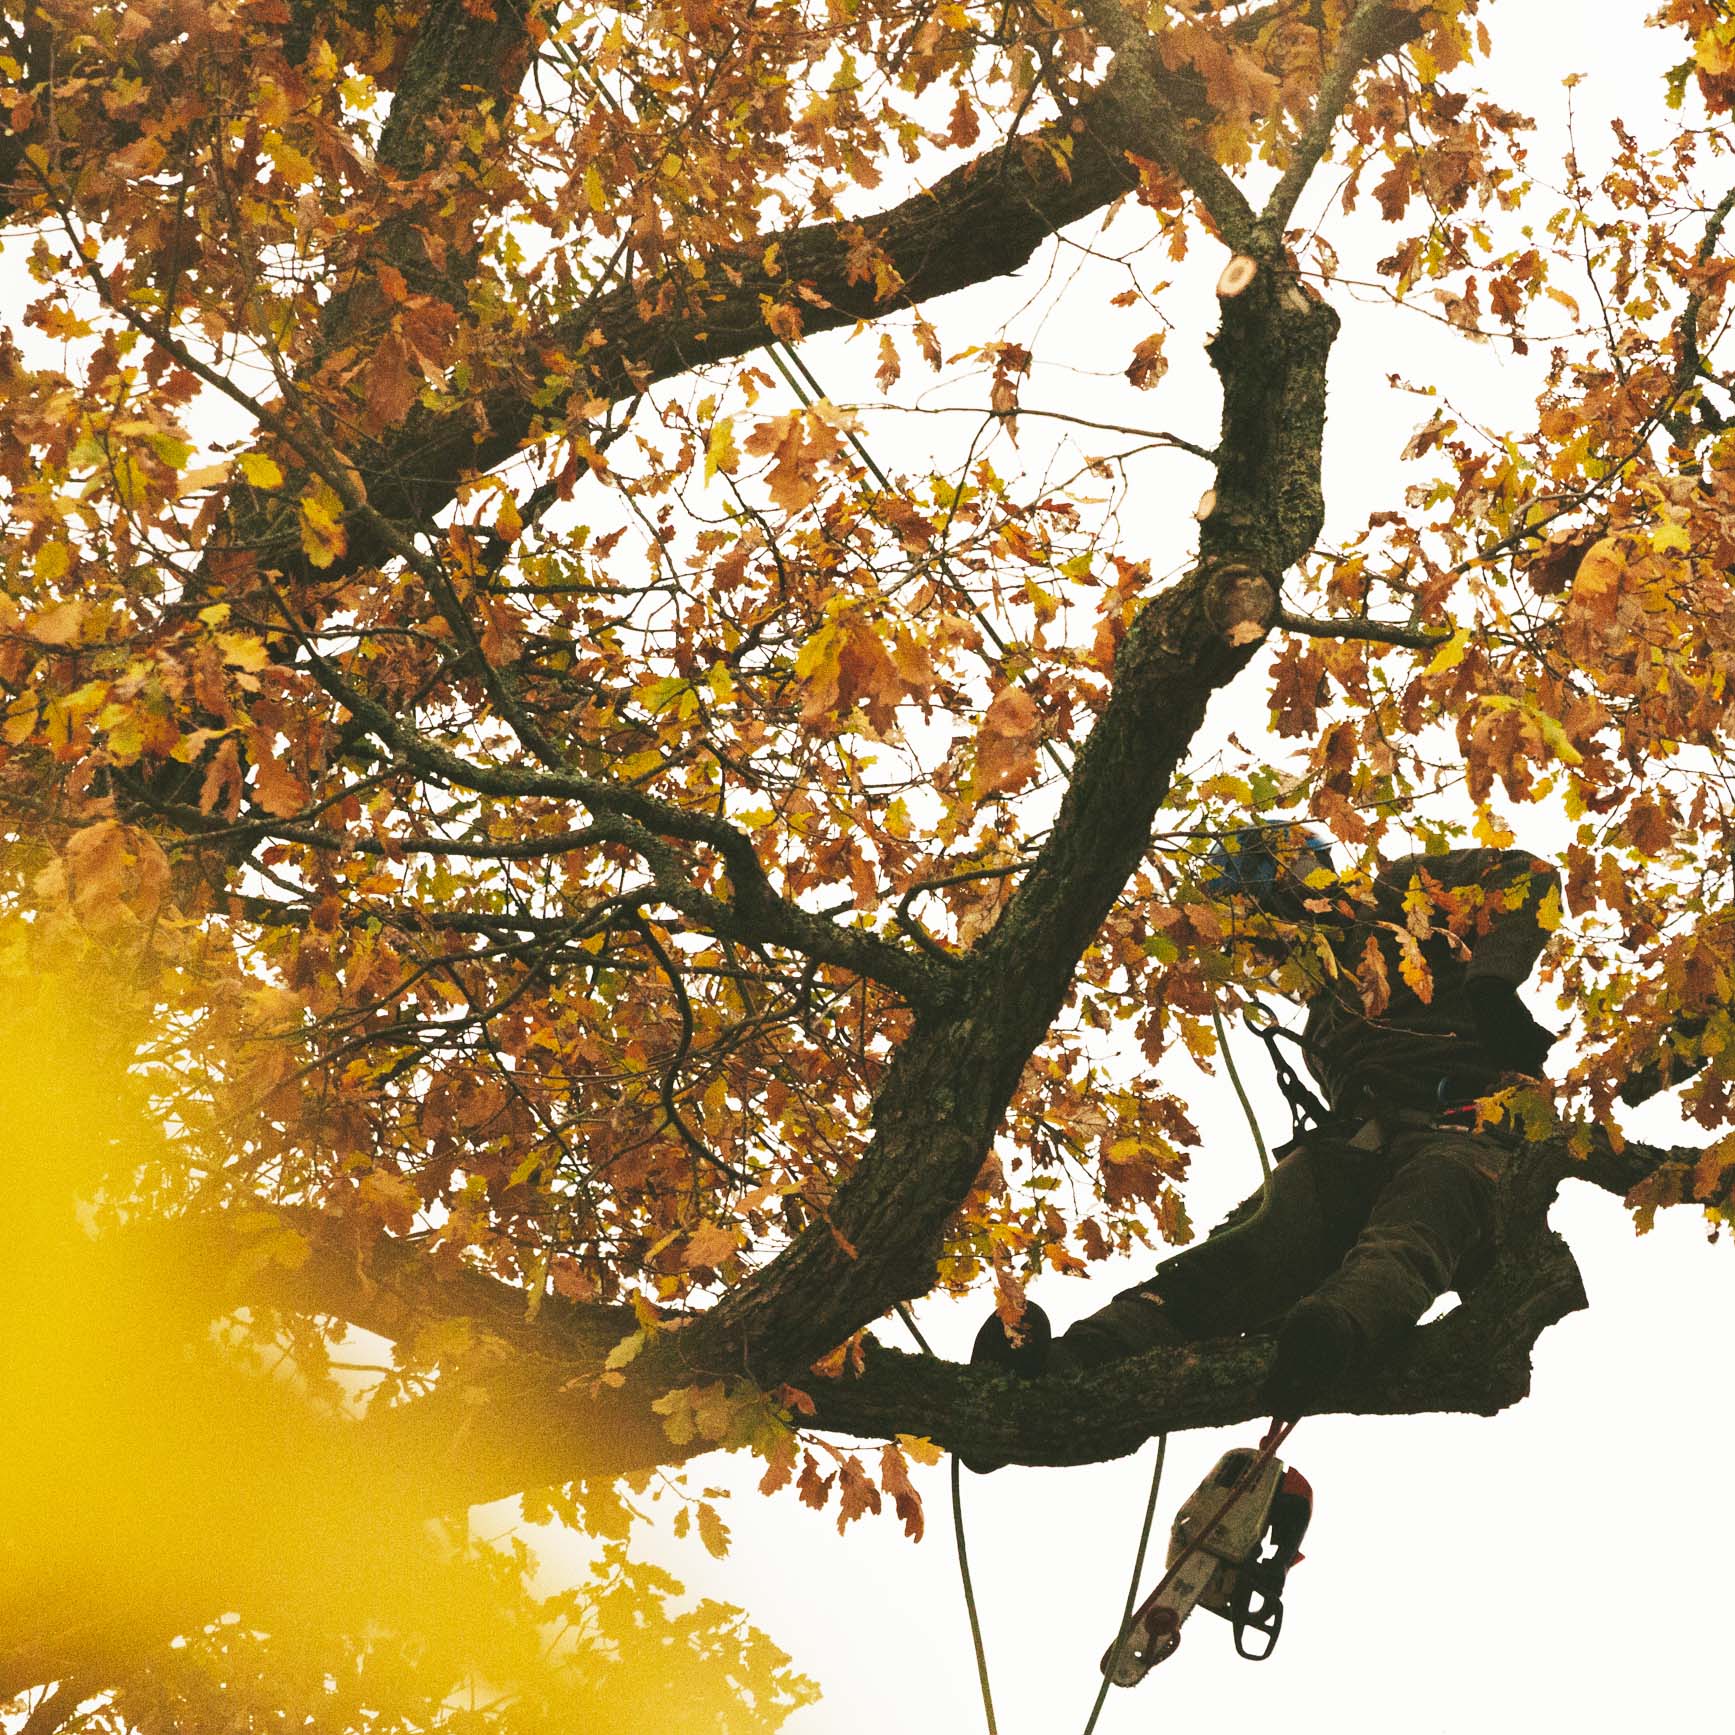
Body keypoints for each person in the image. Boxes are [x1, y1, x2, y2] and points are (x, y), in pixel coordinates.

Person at [972, 827, 1562, 1427]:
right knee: (1233, 1258)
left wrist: (1492, 986)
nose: (1265, 942)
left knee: (1410, 1231)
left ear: (1296, 878)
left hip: (1469, 1136)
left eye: (1264, 914)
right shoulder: (1328, 1017)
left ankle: (1334, 1331)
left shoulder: (1401, 892)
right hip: (1359, 1151)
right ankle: (1068, 1367)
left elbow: (1527, 874)